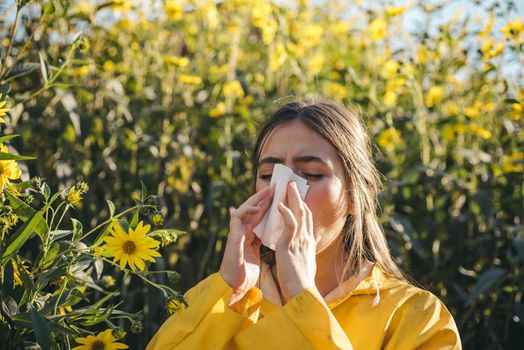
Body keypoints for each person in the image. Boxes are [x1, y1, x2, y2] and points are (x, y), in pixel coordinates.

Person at [147, 98, 462, 349]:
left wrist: (302, 295)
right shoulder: (222, 300)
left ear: (357, 196)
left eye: (310, 175)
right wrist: (229, 284)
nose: (284, 192)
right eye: (269, 175)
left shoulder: (416, 316)